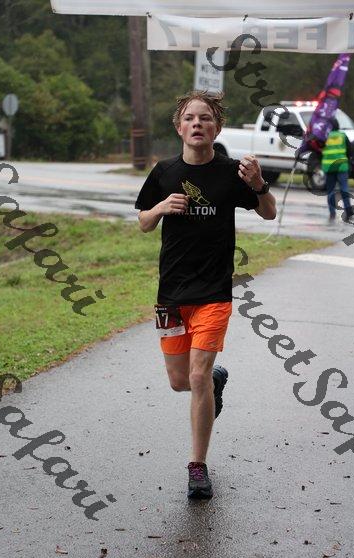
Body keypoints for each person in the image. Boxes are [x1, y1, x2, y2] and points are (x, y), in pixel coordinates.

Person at [135, 90, 276, 500]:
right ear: (179, 128)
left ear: (217, 127)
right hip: (170, 294)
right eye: (190, 118)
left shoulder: (232, 173)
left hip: (214, 292)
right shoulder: (164, 172)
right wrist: (160, 208)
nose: (197, 123)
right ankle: (214, 381)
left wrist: (259, 183)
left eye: (206, 118)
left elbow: (268, 212)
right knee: (181, 381)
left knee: (195, 377)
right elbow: (143, 222)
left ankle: (197, 466)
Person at [321, 117, 353, 221]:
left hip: (329, 167)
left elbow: (319, 150)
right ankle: (348, 210)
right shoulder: (343, 136)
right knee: (344, 188)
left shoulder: (324, 137)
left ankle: (332, 213)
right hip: (341, 166)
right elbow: (350, 150)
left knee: (330, 191)